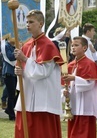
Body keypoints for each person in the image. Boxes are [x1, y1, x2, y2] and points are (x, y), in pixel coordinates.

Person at [14, 10, 64, 138]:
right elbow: (27, 72)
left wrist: (25, 59)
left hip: (43, 100)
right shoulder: (27, 45)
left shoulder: (48, 45)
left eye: (31, 22)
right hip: (28, 96)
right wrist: (19, 72)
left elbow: (43, 72)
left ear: (40, 23)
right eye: (27, 22)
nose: (28, 25)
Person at [62, 36, 97, 138]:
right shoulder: (70, 65)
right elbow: (67, 84)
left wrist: (74, 78)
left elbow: (90, 84)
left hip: (86, 104)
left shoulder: (89, 64)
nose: (73, 47)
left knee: (84, 133)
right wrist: (65, 92)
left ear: (85, 48)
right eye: (72, 45)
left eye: (76, 45)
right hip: (74, 103)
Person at [1, 38, 17, 120]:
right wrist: (18, 53)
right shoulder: (6, 46)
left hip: (14, 72)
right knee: (11, 94)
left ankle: (9, 109)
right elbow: (10, 57)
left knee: (16, 93)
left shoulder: (12, 46)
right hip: (9, 72)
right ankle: (11, 114)